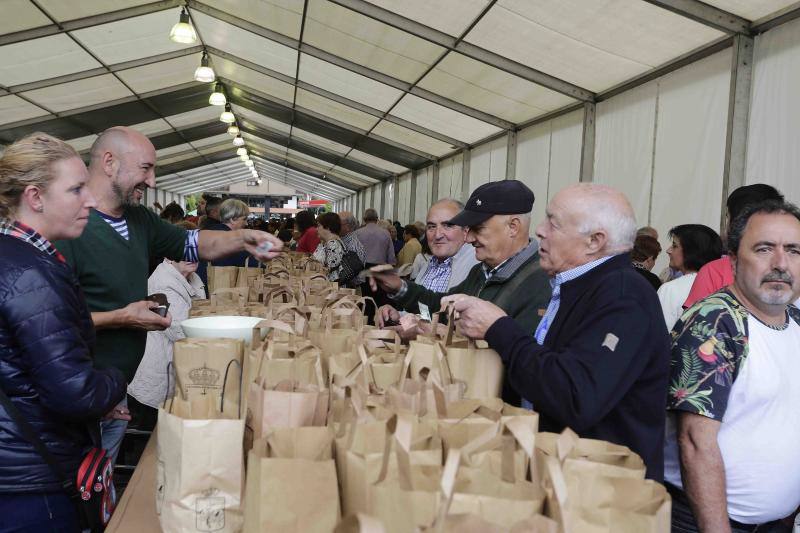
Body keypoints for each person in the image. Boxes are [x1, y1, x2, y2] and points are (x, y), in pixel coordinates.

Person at [54, 126, 282, 464]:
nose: (153, 181)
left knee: (96, 493)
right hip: (73, 398)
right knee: (75, 494)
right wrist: (122, 317)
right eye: (145, 168)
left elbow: (194, 243)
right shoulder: (68, 227)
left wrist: (243, 238)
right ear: (109, 162)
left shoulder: (139, 220)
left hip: (111, 395)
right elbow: (47, 324)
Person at [444, 183, 670, 480]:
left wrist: (499, 328)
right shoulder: (579, 286)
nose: (539, 230)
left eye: (554, 222)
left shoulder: (623, 296)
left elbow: (576, 396)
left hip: (601, 494)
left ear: (594, 241)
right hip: (566, 472)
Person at [0, 133, 127, 531]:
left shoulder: (14, 257)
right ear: (35, 197)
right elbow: (75, 392)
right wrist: (115, 380)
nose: (89, 201)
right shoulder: (32, 274)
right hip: (32, 479)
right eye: (76, 190)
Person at [664, 200, 800, 532]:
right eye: (765, 249)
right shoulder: (715, 322)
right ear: (735, 260)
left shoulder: (794, 321)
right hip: (709, 522)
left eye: (794, 250)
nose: (781, 264)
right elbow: (695, 443)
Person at [372, 180, 552, 406]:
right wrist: (400, 287)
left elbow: (526, 364)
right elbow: (442, 305)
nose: (469, 238)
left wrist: (443, 333)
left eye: (479, 228)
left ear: (513, 226)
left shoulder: (541, 284)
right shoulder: (482, 271)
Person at [683, 184, 784, 308]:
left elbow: (695, 322)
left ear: (736, 221)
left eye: (727, 216)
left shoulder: (715, 271)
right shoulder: (789, 268)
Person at [128, 259, 205, 409]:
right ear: (169, 257)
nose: (191, 257)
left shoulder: (193, 277)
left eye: (194, 251)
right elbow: (181, 331)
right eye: (184, 252)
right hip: (157, 373)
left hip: (177, 366)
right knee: (156, 428)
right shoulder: (163, 283)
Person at [657, 224, 723, 330]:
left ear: (691, 252)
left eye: (674, 245)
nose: (668, 251)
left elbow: (660, 335)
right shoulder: (724, 287)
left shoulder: (670, 289)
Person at [411, 199, 479, 291]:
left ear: (465, 230)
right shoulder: (430, 263)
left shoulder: (477, 266)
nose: (438, 235)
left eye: (448, 226)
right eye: (432, 227)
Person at [207, 199, 252, 268]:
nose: (246, 223)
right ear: (233, 219)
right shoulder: (232, 239)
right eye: (244, 219)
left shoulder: (209, 231)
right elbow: (249, 262)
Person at [313, 212, 346, 282]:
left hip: (329, 287)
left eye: (318, 226)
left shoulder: (333, 245)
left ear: (327, 227)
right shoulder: (326, 243)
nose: (316, 229)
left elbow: (330, 273)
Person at [339, 211, 367, 287]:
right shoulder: (342, 241)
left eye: (338, 223)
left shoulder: (353, 246)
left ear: (348, 227)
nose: (334, 225)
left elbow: (356, 278)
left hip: (350, 289)